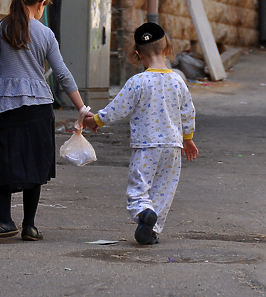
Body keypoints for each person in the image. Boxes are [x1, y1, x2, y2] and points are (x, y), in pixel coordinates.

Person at [0, 0, 92, 242]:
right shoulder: (45, 33)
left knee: (1, 159)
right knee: (35, 162)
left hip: (10, 108)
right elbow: (62, 74)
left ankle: (4, 221)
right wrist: (82, 109)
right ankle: (29, 226)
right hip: (39, 108)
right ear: (41, 2)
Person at [83, 22, 198, 245]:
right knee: (164, 189)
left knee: (138, 189)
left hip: (146, 147)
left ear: (138, 54)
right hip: (173, 147)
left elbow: (117, 108)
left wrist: (95, 120)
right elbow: (188, 112)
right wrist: (188, 139)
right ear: (167, 49)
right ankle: (152, 230)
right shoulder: (178, 81)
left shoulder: (137, 82)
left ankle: (144, 214)